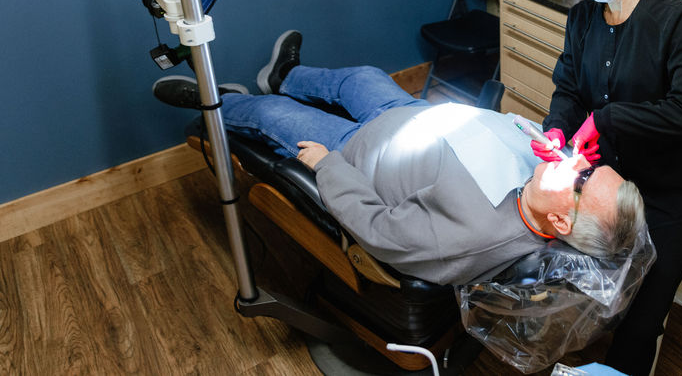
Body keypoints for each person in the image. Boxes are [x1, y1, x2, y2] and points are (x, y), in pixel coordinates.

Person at [152, 30, 647, 287]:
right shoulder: (543, 182)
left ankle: (218, 103)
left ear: (561, 220)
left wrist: (327, 165)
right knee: (359, 76)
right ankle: (285, 74)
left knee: (270, 116)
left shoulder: (469, 239)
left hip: (355, 152)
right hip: (409, 117)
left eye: (581, 183)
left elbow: (378, 230)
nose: (575, 164)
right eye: (590, 165)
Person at [532, 0, 682, 376]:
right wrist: (558, 128)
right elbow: (570, 89)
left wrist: (609, 120)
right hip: (610, 179)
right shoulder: (583, 18)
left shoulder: (677, 21)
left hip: (675, 192)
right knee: (566, 275)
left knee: (637, 321)